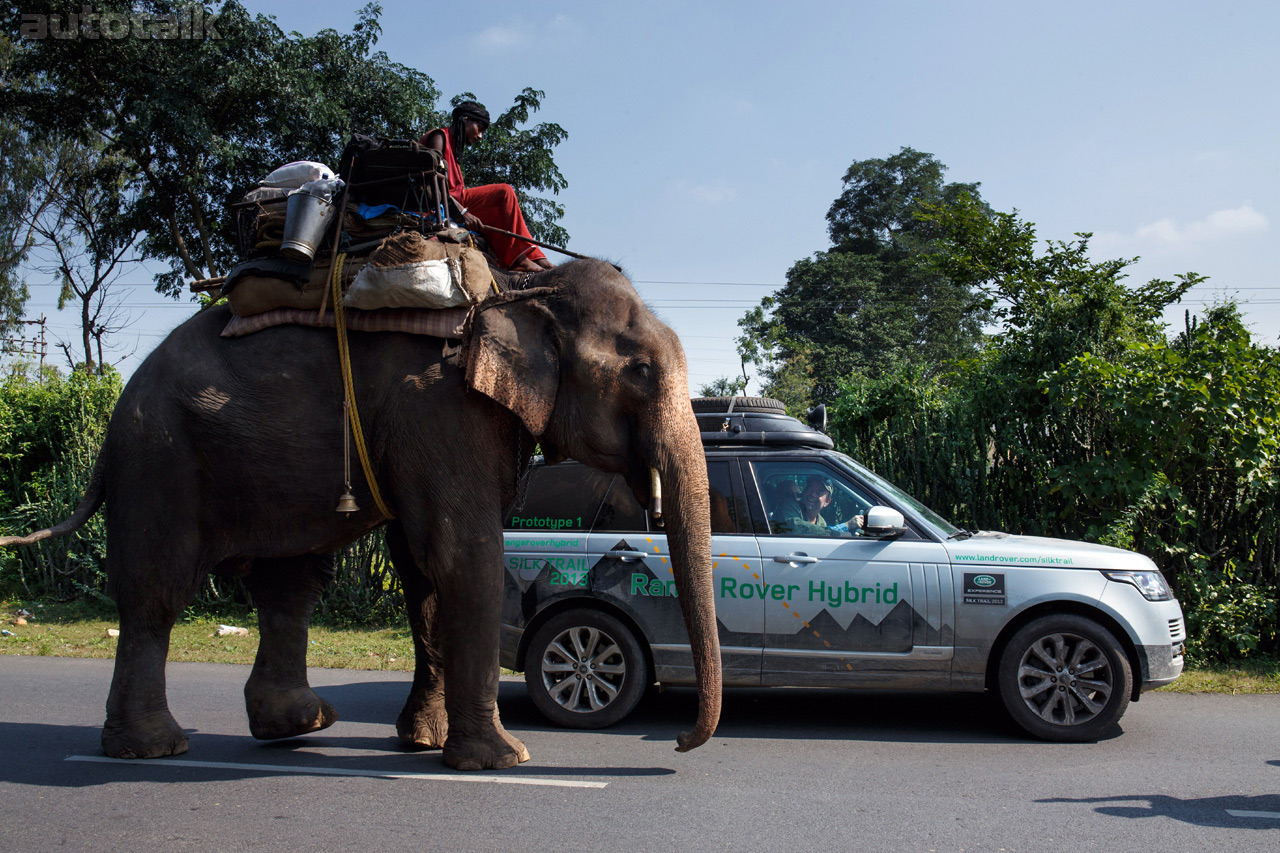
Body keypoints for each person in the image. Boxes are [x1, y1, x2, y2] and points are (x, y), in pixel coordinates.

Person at [419, 101, 553, 273]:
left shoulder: (455, 146)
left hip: (458, 200)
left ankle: (535, 257)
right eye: (479, 128)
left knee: (505, 197)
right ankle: (519, 260)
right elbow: (434, 185)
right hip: (439, 203)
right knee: (504, 192)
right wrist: (463, 213)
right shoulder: (439, 137)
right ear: (465, 120)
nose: (480, 136)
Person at [772, 474, 863, 538]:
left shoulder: (821, 522)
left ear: (827, 502)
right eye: (809, 489)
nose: (812, 494)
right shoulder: (789, 506)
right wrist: (836, 533)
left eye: (819, 492)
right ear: (803, 492)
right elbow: (795, 526)